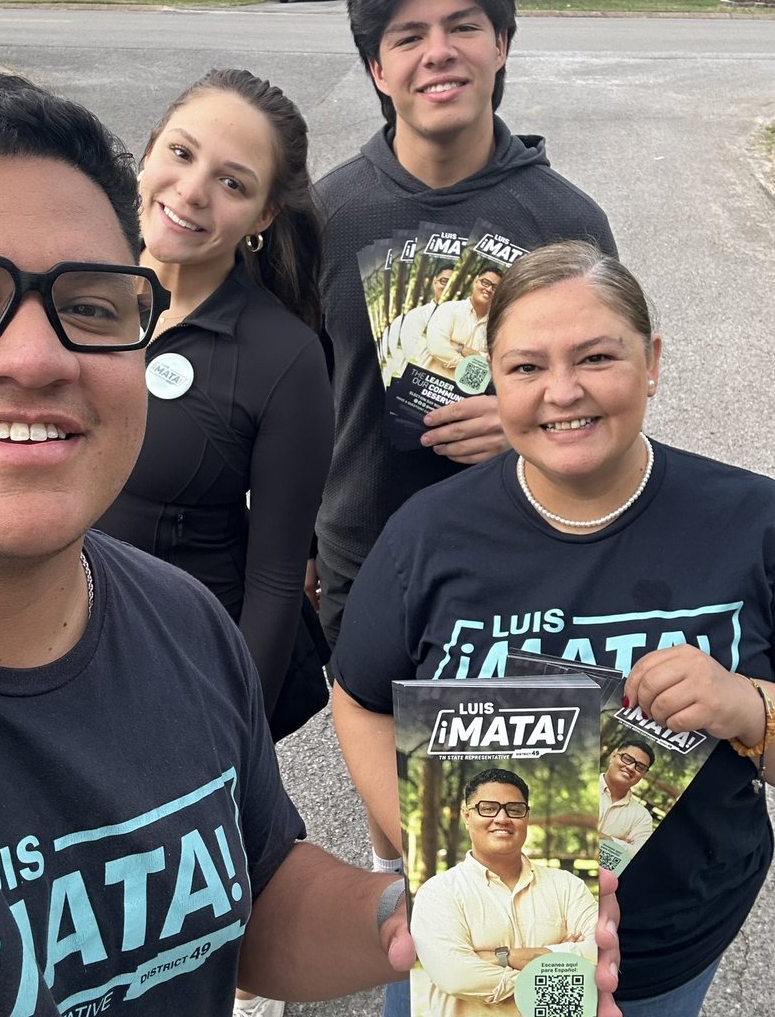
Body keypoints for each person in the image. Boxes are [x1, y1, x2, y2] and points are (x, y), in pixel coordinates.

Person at [0, 73, 422, 1015]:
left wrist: (428, 915)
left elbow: (252, 899)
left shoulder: (184, 626)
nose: (34, 357)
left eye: (94, 308)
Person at [332, 241, 775, 1017]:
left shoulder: (752, 522)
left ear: (651, 363)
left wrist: (747, 709)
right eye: (526, 367)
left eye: (596, 356)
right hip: (472, 944)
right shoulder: (426, 536)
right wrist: (424, 848)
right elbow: (361, 696)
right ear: (494, 382)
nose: (561, 392)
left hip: (666, 947)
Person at [312, 0, 616, 669]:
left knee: (519, 788)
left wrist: (524, 429)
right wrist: (294, 547)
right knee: (388, 785)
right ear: (377, 68)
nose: (437, 53)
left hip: (531, 566)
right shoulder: (322, 219)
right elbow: (291, 406)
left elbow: (614, 408)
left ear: (501, 44)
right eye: (407, 36)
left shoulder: (567, 223)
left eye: (462, 26)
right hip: (367, 565)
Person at [97, 69, 334, 749]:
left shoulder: (283, 359)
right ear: (147, 151)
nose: (192, 191)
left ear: (262, 217)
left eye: (232, 183)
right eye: (181, 152)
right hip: (36, 647)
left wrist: (235, 736)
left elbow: (275, 579)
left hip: (177, 669)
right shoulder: (64, 287)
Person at [410, 769, 598, 1017]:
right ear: (467, 816)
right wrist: (562, 973)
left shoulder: (567, 886)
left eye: (514, 809)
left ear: (526, 817)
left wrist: (501, 957)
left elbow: (601, 951)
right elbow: (456, 976)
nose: (502, 818)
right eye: (488, 808)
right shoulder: (438, 893)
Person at [422, 269, 502, 380]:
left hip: (466, 395)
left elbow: (492, 363)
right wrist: (470, 365)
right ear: (476, 281)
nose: (489, 289)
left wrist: (458, 347)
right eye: (485, 282)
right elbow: (437, 347)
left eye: (495, 287)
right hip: (428, 385)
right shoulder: (448, 309)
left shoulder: (496, 327)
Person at [599, 743, 655, 859]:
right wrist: (620, 845)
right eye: (627, 759)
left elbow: (639, 856)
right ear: (613, 756)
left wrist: (606, 839)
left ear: (644, 774)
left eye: (640, 767)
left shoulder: (642, 817)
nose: (631, 767)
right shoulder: (579, 786)